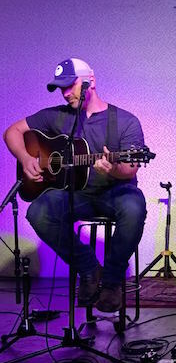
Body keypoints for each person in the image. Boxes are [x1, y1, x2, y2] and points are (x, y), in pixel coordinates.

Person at [3, 58, 147, 312]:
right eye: (61, 88)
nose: (66, 93)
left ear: (90, 81)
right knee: (38, 212)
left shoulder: (125, 121)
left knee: (135, 207)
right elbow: (12, 132)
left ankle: (112, 281)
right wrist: (26, 159)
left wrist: (113, 168)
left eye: (71, 85)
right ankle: (90, 269)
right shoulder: (57, 117)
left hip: (115, 192)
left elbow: (131, 168)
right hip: (75, 193)